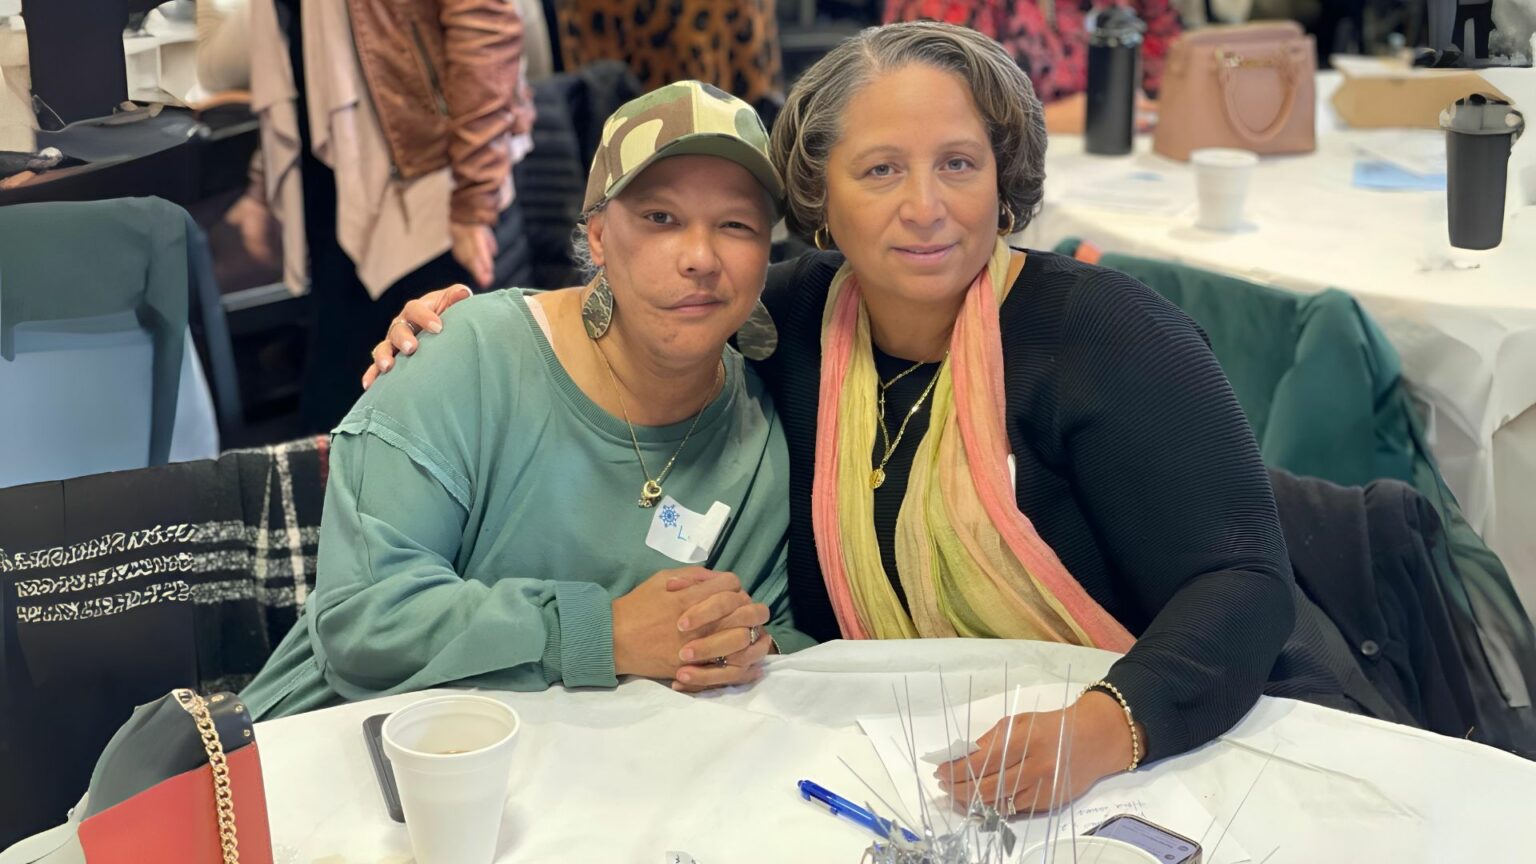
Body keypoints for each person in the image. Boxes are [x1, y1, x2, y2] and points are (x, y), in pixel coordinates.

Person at [366, 22, 1379, 816]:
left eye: (959, 164)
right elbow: (651, 297)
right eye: (882, 170)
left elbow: (1246, 584)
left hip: (1157, 748)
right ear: (821, 201)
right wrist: (464, 330)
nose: (927, 208)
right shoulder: (796, 322)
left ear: (1003, 178)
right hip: (900, 765)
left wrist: (1105, 728)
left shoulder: (1107, 340)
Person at [241, 81, 812, 721]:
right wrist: (607, 634)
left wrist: (737, 645)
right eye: (661, 218)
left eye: (736, 225)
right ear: (597, 236)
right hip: (338, 757)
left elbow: (774, 640)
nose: (700, 258)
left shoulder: (759, 435)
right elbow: (364, 624)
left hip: (583, 786)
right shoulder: (464, 357)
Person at [884, 0, 1181, 132]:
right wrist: (1048, 120)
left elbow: (1172, 55)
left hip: (1103, 167)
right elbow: (927, 116)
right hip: (997, 185)